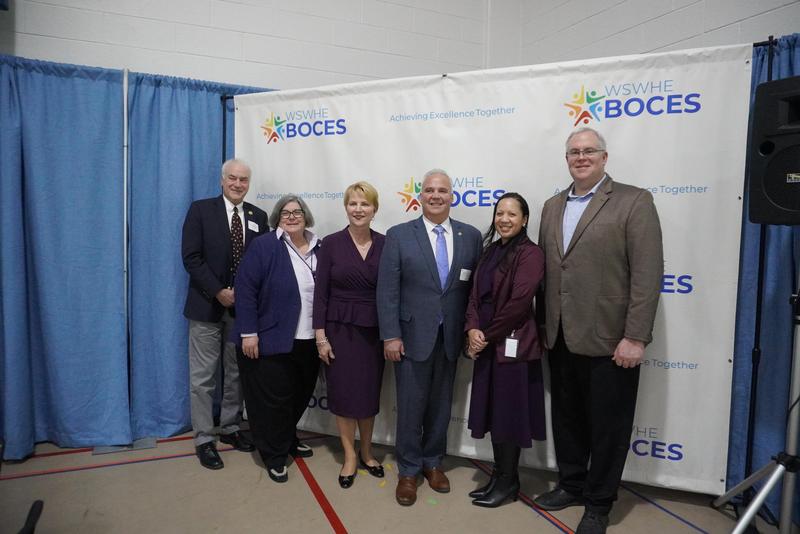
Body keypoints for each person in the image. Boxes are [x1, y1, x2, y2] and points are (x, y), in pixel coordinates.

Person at [534, 127, 663, 534]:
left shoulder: (634, 201)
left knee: (609, 427)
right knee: (567, 419)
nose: (581, 157)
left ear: (605, 158)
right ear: (566, 158)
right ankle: (571, 484)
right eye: (574, 151)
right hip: (559, 336)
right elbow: (549, 274)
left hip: (612, 340)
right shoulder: (552, 206)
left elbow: (647, 274)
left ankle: (599, 502)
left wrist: (636, 336)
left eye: (590, 151)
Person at [377, 168, 482, 506]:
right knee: (410, 406)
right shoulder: (399, 235)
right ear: (420, 196)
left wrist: (471, 330)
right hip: (410, 337)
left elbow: (475, 293)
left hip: (450, 337)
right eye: (430, 191)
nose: (436, 196)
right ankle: (408, 469)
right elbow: (387, 291)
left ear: (453, 196)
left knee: (440, 405)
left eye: (443, 190)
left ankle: (433, 462)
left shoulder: (471, 236)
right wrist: (390, 335)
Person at [181, 158, 268, 470]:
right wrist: (219, 290)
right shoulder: (200, 210)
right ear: (222, 180)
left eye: (243, 179)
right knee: (202, 379)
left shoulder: (259, 216)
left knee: (235, 375)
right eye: (232, 178)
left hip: (243, 312)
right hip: (206, 306)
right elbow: (191, 257)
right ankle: (204, 438)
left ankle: (230, 427)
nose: (237, 184)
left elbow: (262, 264)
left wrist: (245, 298)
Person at [463, 192, 546, 508]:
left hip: (513, 348)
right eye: (500, 213)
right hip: (486, 342)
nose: (505, 219)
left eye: (512, 214)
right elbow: (473, 296)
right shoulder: (490, 251)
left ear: (524, 219)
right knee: (495, 414)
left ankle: (510, 481)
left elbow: (519, 304)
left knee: (509, 416)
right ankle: (499, 475)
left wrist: (485, 335)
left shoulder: (531, 254)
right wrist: (472, 328)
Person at [232, 195, 321, 483]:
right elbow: (245, 290)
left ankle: (287, 438)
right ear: (277, 218)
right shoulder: (265, 246)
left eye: (297, 212)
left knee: (299, 395)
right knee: (274, 401)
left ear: (306, 216)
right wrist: (249, 332)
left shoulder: (321, 246)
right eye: (286, 213)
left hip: (309, 339)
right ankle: (274, 454)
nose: (292, 216)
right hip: (271, 338)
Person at [313, 181, 386, 489]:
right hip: (338, 331)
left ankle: (367, 451)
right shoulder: (330, 243)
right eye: (353, 204)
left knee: (367, 395)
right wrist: (320, 336)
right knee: (343, 397)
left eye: (364, 204)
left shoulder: (386, 243)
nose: (358, 209)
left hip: (373, 332)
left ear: (374, 209)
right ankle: (349, 456)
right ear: (346, 207)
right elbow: (321, 294)